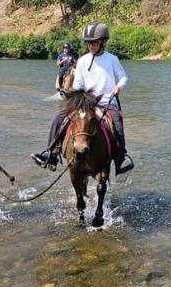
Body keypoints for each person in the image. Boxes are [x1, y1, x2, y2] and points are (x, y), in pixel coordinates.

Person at [32, 21, 134, 175]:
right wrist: (72, 94)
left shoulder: (112, 59)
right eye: (88, 43)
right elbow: (78, 83)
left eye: (94, 42)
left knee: (117, 122)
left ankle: (121, 157)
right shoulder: (82, 61)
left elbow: (123, 77)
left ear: (103, 42)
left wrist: (118, 87)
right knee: (59, 117)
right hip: (86, 103)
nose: (91, 46)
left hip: (106, 101)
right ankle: (51, 153)